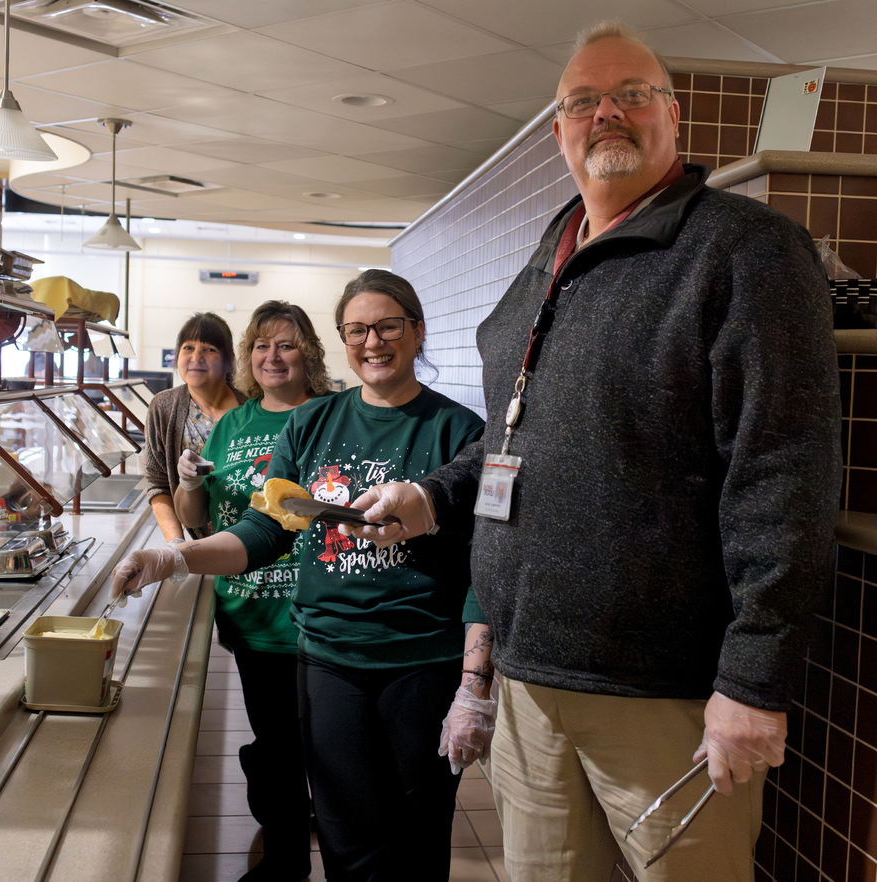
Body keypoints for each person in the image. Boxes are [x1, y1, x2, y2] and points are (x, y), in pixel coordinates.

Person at [344, 22, 842, 882]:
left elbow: (784, 473)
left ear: (673, 116)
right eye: (583, 101)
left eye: (631, 95)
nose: (606, 113)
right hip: (529, 683)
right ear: (559, 132)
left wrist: (754, 680)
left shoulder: (743, 250)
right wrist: (429, 496)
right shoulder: (550, 258)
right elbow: (512, 439)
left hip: (666, 694)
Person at [112, 270, 489, 882]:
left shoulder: (459, 431)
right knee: (345, 840)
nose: (372, 342)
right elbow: (266, 530)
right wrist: (175, 558)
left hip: (420, 662)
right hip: (328, 660)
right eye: (357, 330)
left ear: (418, 331)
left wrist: (475, 681)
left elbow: (484, 563)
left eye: (388, 326)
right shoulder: (312, 423)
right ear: (342, 339)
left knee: (417, 840)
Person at [171, 301, 330, 882]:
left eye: (286, 345)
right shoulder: (232, 424)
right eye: (261, 346)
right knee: (275, 747)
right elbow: (198, 518)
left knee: (329, 749)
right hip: (252, 613)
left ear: (308, 353)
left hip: (318, 615)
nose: (273, 357)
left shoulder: (329, 415)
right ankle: (285, 864)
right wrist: (189, 482)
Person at [143, 312, 243, 542]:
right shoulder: (164, 406)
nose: (196, 357)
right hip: (200, 542)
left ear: (228, 360)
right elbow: (158, 483)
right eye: (188, 347)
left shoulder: (251, 405)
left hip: (254, 540)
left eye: (209, 349)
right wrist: (177, 545)